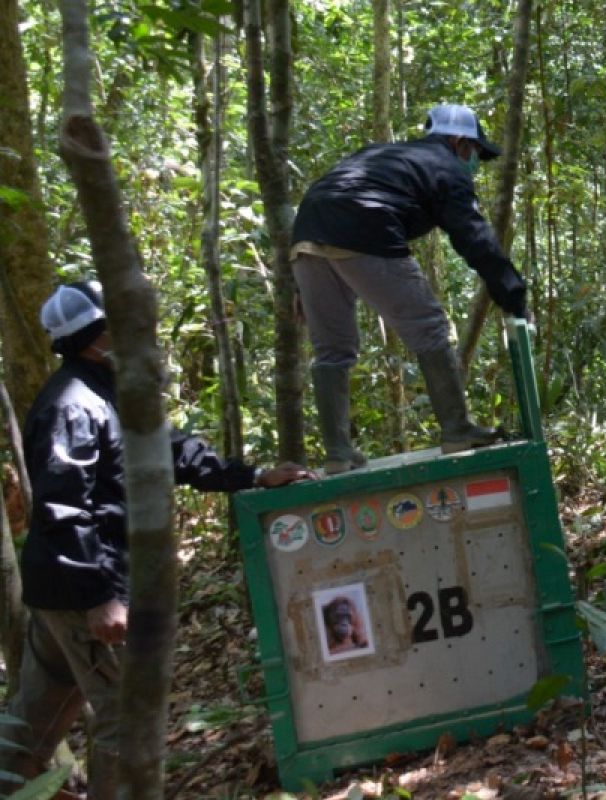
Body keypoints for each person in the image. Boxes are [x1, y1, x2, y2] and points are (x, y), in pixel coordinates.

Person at [0, 281, 314, 799]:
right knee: (128, 720)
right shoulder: (73, 405)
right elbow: (63, 509)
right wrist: (101, 597)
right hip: (82, 593)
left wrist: (252, 475)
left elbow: (172, 451)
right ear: (91, 338)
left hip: (67, 590)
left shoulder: (112, 395)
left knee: (36, 717)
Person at [291, 103, 529, 473]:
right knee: (430, 327)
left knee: (332, 349)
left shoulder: (382, 154)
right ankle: (457, 429)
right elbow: (475, 238)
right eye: (476, 153)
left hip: (306, 234)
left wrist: (300, 285)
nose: (475, 163)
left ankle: (337, 453)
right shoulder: (446, 168)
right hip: (365, 223)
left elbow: (330, 196)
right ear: (458, 142)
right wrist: (513, 296)